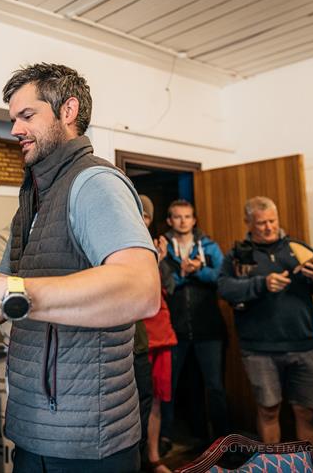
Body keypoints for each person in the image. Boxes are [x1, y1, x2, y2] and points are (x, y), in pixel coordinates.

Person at [0, 63, 161, 472]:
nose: (15, 129)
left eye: (27, 116)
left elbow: (142, 288)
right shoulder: (32, 200)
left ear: (68, 111)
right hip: (34, 430)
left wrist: (13, 294)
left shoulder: (94, 182)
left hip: (87, 442)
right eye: (13, 119)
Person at [218, 197, 313, 453]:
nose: (269, 227)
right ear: (248, 222)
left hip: (304, 345)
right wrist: (262, 284)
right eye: (261, 223)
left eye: (273, 220)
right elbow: (224, 288)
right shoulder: (238, 254)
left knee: (308, 414)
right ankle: (274, 469)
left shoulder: (298, 248)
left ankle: (310, 469)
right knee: (268, 411)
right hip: (259, 350)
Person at [160, 199, 227, 443]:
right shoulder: (162, 247)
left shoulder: (208, 246)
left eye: (187, 216)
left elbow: (222, 278)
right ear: (169, 220)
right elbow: (159, 283)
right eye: (177, 217)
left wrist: (199, 270)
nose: (183, 221)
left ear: (194, 219)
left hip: (208, 327)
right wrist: (182, 274)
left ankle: (223, 440)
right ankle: (165, 436)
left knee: (215, 387)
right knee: (170, 386)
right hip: (174, 329)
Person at [139, 195, 178, 473]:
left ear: (149, 220)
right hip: (132, 338)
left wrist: (160, 261)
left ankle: (153, 458)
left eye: (142, 215)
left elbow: (171, 288)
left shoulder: (160, 247)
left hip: (160, 335)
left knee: (155, 399)